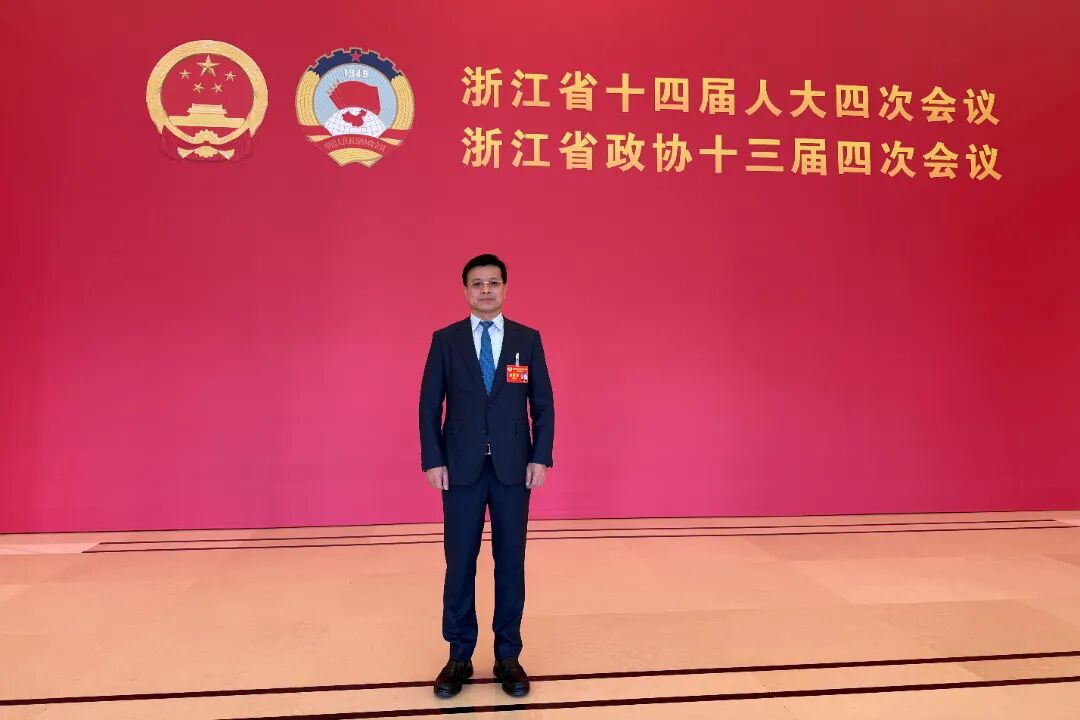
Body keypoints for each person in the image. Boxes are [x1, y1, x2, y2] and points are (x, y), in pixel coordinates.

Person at [418, 253, 555, 699]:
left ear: (505, 288)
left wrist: (540, 457)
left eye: (493, 282)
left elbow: (543, 405)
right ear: (465, 290)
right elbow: (429, 405)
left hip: (514, 470)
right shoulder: (446, 340)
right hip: (460, 470)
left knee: (510, 562)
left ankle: (508, 656)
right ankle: (459, 655)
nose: (485, 290)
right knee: (460, 562)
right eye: (477, 284)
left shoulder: (527, 340)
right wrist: (433, 460)